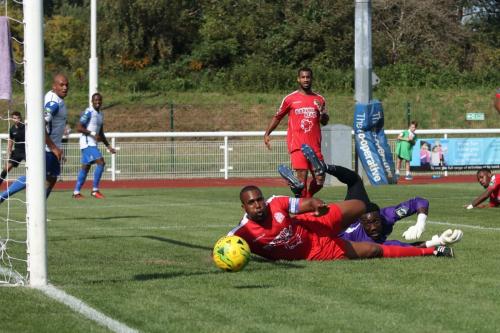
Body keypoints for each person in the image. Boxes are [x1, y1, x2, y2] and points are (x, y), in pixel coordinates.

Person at [228, 165, 454, 262]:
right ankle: (433, 253)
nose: (258, 205)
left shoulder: (386, 215)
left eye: (259, 200)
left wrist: (313, 203)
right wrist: (433, 245)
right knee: (375, 250)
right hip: (316, 251)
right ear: (244, 208)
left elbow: (419, 202)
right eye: (252, 203)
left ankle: (308, 184)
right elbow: (224, 248)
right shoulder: (243, 231)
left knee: (360, 205)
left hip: (315, 224)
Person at [0, 73, 68, 203]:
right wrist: (54, 148)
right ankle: (2, 197)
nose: (65, 88)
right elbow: (41, 124)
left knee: (52, 178)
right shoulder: (53, 103)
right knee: (34, 176)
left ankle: (39, 208)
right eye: (61, 85)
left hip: (50, 148)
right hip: (46, 148)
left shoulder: (52, 97)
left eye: (66, 85)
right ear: (54, 86)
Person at [264, 67, 329, 198]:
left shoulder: (319, 99)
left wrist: (322, 114)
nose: (306, 80)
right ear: (298, 79)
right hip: (298, 146)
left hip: (315, 147)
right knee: (302, 181)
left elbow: (325, 121)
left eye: (308, 77)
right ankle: (302, 210)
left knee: (320, 180)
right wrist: (267, 133)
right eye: (303, 77)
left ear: (312, 79)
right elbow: (278, 117)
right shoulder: (290, 99)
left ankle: (306, 197)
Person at [340, 199, 463, 248]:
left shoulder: (387, 215)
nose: (372, 227)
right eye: (367, 224)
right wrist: (438, 242)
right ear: (361, 223)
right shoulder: (365, 241)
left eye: (376, 221)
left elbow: (419, 202)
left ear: (380, 217)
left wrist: (420, 223)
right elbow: (402, 247)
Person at [72, 92, 116, 199]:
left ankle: (76, 192)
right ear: (92, 101)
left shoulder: (101, 114)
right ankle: (95, 190)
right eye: (95, 100)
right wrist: (92, 134)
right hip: (87, 143)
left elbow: (101, 133)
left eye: (99, 100)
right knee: (101, 162)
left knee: (85, 168)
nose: (97, 102)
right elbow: (79, 127)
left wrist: (108, 146)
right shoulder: (88, 112)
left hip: (92, 143)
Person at [0, 111, 25, 187]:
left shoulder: (26, 127)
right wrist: (9, 149)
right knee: (6, 169)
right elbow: (11, 139)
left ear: (20, 118)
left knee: (32, 168)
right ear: (12, 119)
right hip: (17, 152)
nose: (16, 119)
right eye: (14, 118)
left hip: (27, 151)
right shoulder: (12, 129)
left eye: (18, 118)